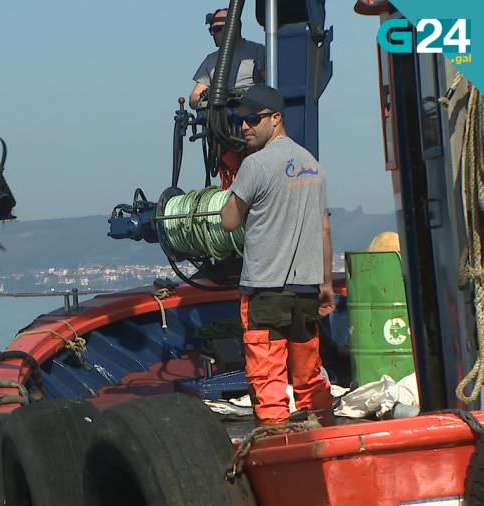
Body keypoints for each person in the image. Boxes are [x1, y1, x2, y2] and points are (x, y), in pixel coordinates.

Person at [220, 85, 336, 427]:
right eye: (241, 120)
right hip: (306, 293)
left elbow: (229, 221)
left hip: (266, 293)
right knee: (310, 380)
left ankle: (276, 455)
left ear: (276, 118)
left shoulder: (255, 165)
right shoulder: (313, 166)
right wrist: (326, 284)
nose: (244, 127)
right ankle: (327, 443)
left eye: (252, 119)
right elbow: (324, 230)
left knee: (268, 385)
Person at [189, 8, 267, 110]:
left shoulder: (257, 51)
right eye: (210, 30)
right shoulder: (210, 60)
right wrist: (204, 101)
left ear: (232, 28)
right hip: (220, 117)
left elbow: (271, 85)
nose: (212, 33)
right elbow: (194, 96)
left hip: (251, 115)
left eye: (216, 29)